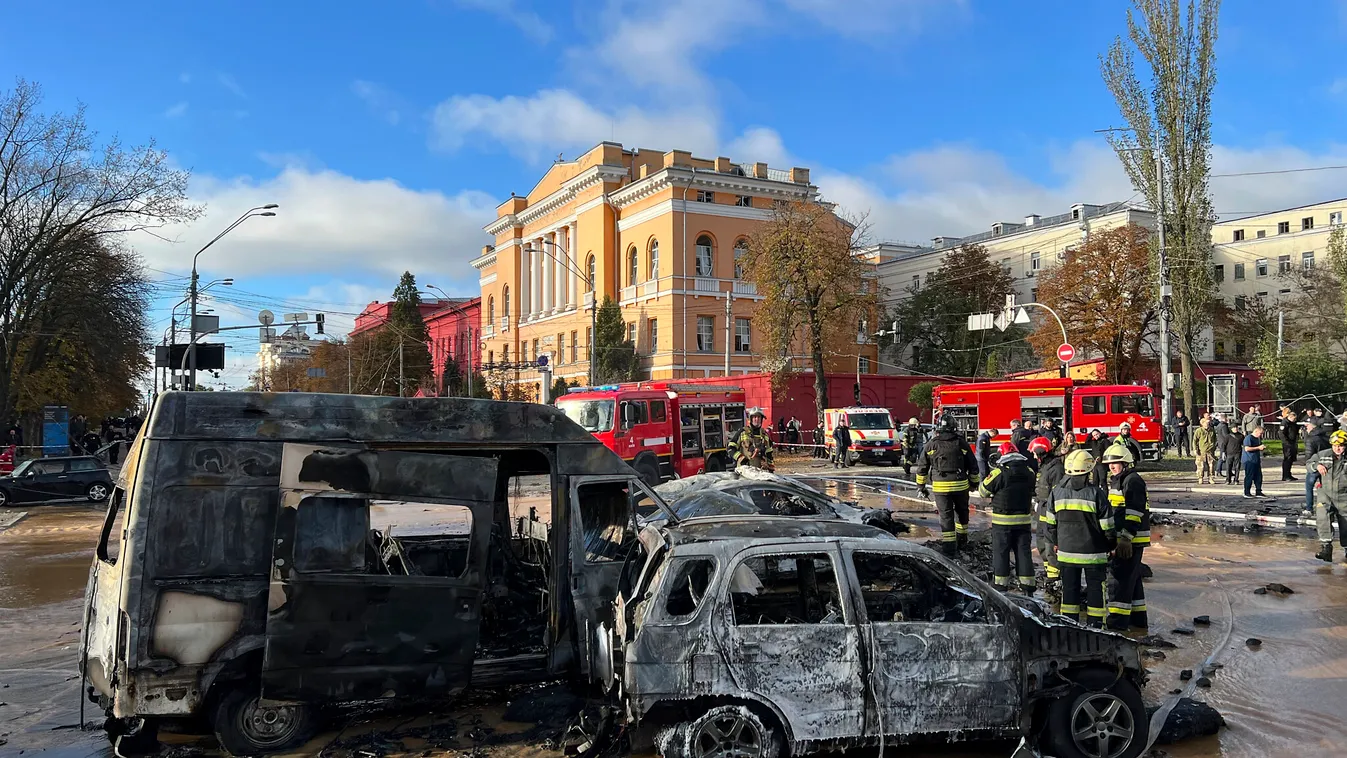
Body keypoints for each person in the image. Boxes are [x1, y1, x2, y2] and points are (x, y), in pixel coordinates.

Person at [1044, 449, 1114, 627]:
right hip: (1094, 553)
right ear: (1088, 471)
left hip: (1066, 553)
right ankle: (1097, 627)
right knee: (1096, 591)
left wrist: (1055, 543)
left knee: (1069, 592)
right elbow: (1107, 526)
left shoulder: (1056, 492)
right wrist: (1111, 545)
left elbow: (1050, 524)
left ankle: (1068, 626)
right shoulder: (1096, 493)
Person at [916, 415, 980, 555]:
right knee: (962, 512)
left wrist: (921, 487)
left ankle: (949, 549)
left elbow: (922, 468)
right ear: (954, 428)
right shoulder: (961, 443)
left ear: (938, 429)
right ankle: (962, 542)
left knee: (946, 516)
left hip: (940, 487)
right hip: (961, 486)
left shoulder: (931, 445)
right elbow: (973, 465)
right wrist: (974, 483)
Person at [1103, 443, 1150, 631]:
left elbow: (1133, 512)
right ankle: (1138, 621)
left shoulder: (1132, 481)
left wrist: (1126, 537)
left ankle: (1117, 625)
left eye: (1115, 463)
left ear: (1126, 463)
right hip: (1127, 538)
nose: (1111, 467)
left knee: (1119, 581)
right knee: (1133, 580)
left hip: (1130, 540)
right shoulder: (1119, 479)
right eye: (1109, 464)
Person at [980, 441, 1037, 594]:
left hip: (1003, 522)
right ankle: (1028, 587)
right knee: (1024, 553)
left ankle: (1000, 586)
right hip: (1024, 521)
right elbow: (1032, 489)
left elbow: (983, 491)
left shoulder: (999, 472)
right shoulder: (1029, 471)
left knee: (1001, 553)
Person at [1032, 436, 1067, 590]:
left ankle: (1055, 577)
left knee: (1050, 542)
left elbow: (1057, 493)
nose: (1034, 456)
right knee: (1040, 539)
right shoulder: (1046, 467)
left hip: (1050, 510)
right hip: (1042, 507)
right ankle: (1049, 571)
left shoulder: (1056, 468)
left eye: (1035, 453)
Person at [1312, 431, 1347, 562]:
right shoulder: (1324, 455)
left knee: (1345, 523)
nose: (1337, 448)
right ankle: (1326, 548)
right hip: (1325, 494)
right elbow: (1310, 463)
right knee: (1322, 518)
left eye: (1341, 445)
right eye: (1335, 445)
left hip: (1344, 496)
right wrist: (1317, 465)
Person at [1305, 417, 1330, 513]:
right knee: (1326, 487)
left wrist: (1308, 465)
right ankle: (1326, 507)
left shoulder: (1310, 439)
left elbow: (1309, 454)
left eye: (1307, 427)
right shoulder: (1326, 437)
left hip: (1315, 465)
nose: (1306, 429)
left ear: (1311, 427)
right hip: (1326, 464)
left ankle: (1309, 508)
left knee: (1309, 487)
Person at [1242, 425, 1267, 498]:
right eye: (1260, 433)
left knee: (1258, 476)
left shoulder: (1257, 439)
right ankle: (1247, 492)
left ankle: (1258, 491)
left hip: (1256, 460)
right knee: (1249, 476)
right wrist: (1258, 448)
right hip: (1249, 460)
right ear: (1256, 431)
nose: (1261, 435)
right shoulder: (1248, 438)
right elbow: (1247, 448)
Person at [1193, 416, 1217, 485]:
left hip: (1210, 451)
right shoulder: (1199, 431)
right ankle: (1200, 478)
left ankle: (1211, 478)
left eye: (1208, 423)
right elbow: (1195, 441)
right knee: (1201, 466)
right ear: (1202, 424)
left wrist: (1214, 446)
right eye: (1206, 423)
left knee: (1211, 465)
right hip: (1201, 451)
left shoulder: (1212, 430)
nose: (1207, 424)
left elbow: (1215, 439)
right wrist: (1195, 449)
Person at [1280, 407, 1300, 482]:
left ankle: (1289, 474)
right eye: (1293, 419)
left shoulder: (1292, 423)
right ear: (1290, 417)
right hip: (1287, 444)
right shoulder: (1285, 422)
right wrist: (1286, 442)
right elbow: (1281, 433)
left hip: (1293, 442)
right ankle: (1285, 475)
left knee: (1291, 459)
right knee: (1287, 459)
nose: (1294, 420)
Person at [1222, 421, 1244, 485]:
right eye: (1234, 427)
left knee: (1237, 467)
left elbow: (1243, 444)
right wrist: (1223, 452)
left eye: (1236, 427)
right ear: (1231, 428)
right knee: (1228, 467)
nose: (1235, 429)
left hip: (1238, 453)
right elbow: (1224, 445)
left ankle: (1236, 479)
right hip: (1229, 453)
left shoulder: (1241, 436)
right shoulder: (1228, 436)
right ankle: (1228, 480)